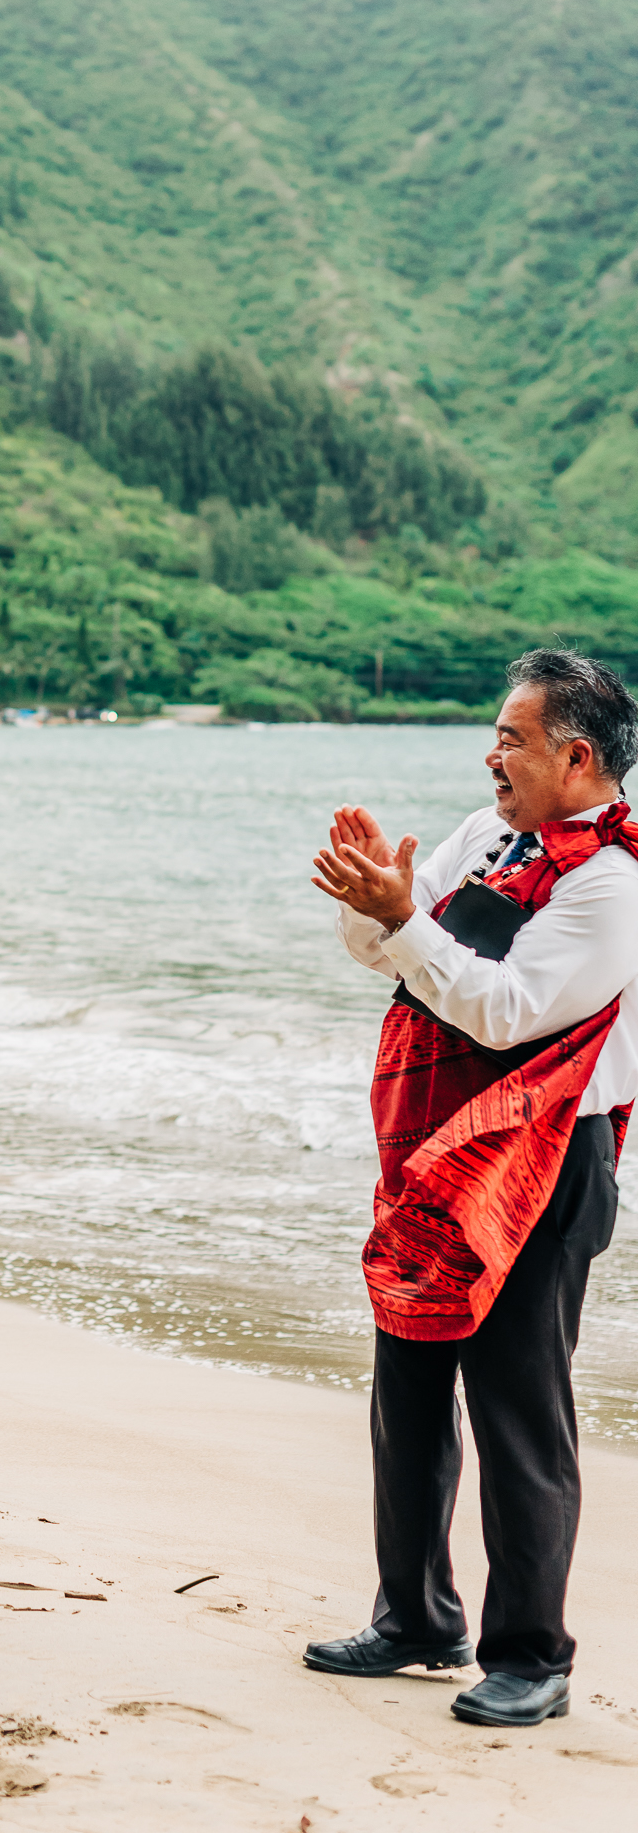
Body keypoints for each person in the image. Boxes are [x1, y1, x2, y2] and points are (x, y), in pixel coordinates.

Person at [307, 648, 638, 1728]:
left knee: (518, 1406)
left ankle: (532, 1652)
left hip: (547, 1156)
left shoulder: (611, 883)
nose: (490, 753)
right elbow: (386, 949)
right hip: (437, 1143)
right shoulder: (488, 835)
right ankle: (415, 1617)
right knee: (406, 1387)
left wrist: (407, 926)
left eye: (512, 737)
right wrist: (377, 904)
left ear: (576, 755)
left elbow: (502, 1007)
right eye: (496, 734)